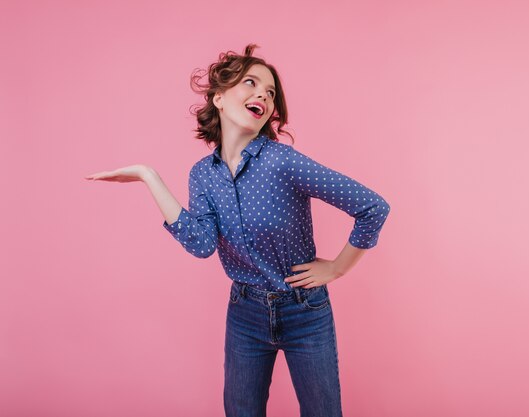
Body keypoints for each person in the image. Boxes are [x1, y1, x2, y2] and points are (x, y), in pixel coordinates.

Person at [85, 43, 390, 417]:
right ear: (218, 98)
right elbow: (200, 244)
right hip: (245, 313)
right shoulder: (202, 175)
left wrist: (338, 267)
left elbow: (373, 207)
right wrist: (149, 177)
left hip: (304, 311)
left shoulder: (283, 161)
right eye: (251, 82)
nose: (263, 93)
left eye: (271, 91)